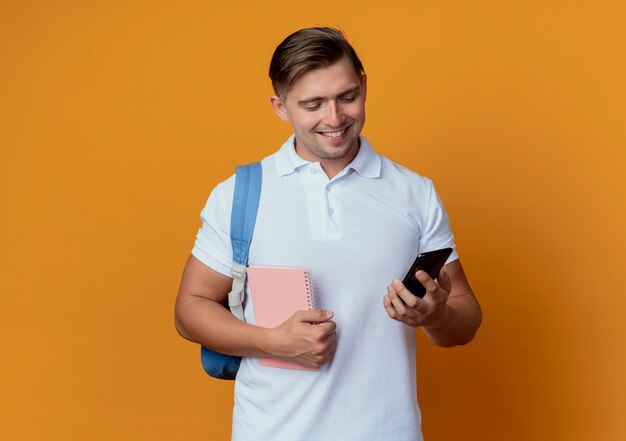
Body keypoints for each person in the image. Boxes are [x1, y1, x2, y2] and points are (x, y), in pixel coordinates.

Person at [175, 27, 482, 441]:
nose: (334, 119)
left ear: (365, 85)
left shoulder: (414, 193)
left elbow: (465, 319)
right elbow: (189, 309)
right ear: (280, 107)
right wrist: (273, 341)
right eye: (312, 104)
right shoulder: (240, 194)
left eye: (347, 97)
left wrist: (438, 315)